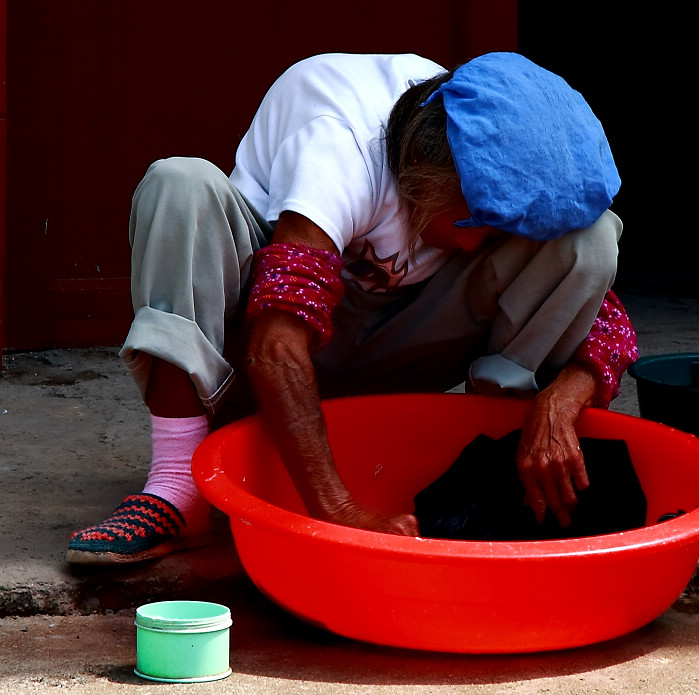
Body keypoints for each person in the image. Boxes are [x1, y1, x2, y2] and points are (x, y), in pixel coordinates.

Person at [66, 51, 638, 565]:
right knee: (178, 184)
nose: (481, 242)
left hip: (405, 349)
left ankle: (488, 451)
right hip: (265, 349)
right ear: (428, 179)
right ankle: (177, 489)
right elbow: (276, 347)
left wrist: (562, 400)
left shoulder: (478, 133)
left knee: (590, 239)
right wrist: (340, 511)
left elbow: (596, 306)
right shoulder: (340, 143)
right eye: (478, 224)